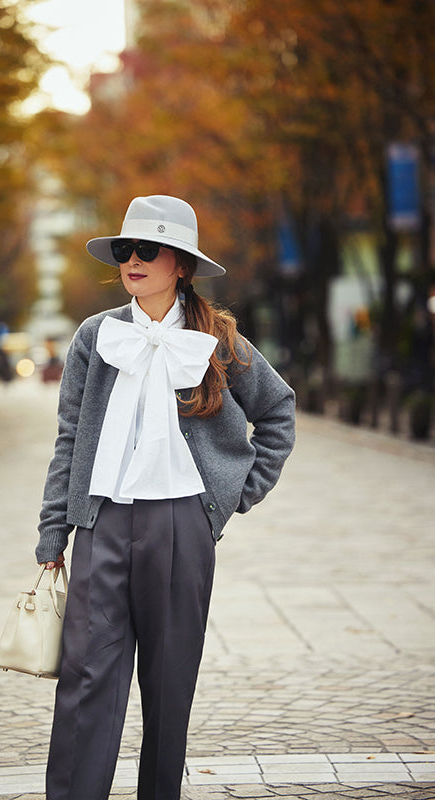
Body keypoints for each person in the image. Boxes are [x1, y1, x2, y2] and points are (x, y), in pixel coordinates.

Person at [36, 195, 296, 800]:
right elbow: (69, 438)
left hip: (183, 527)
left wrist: (232, 497)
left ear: (179, 262)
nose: (132, 260)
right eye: (125, 249)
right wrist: (54, 531)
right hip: (100, 523)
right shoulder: (94, 337)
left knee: (169, 681)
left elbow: (278, 411)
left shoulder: (219, 340)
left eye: (146, 250)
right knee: (83, 676)